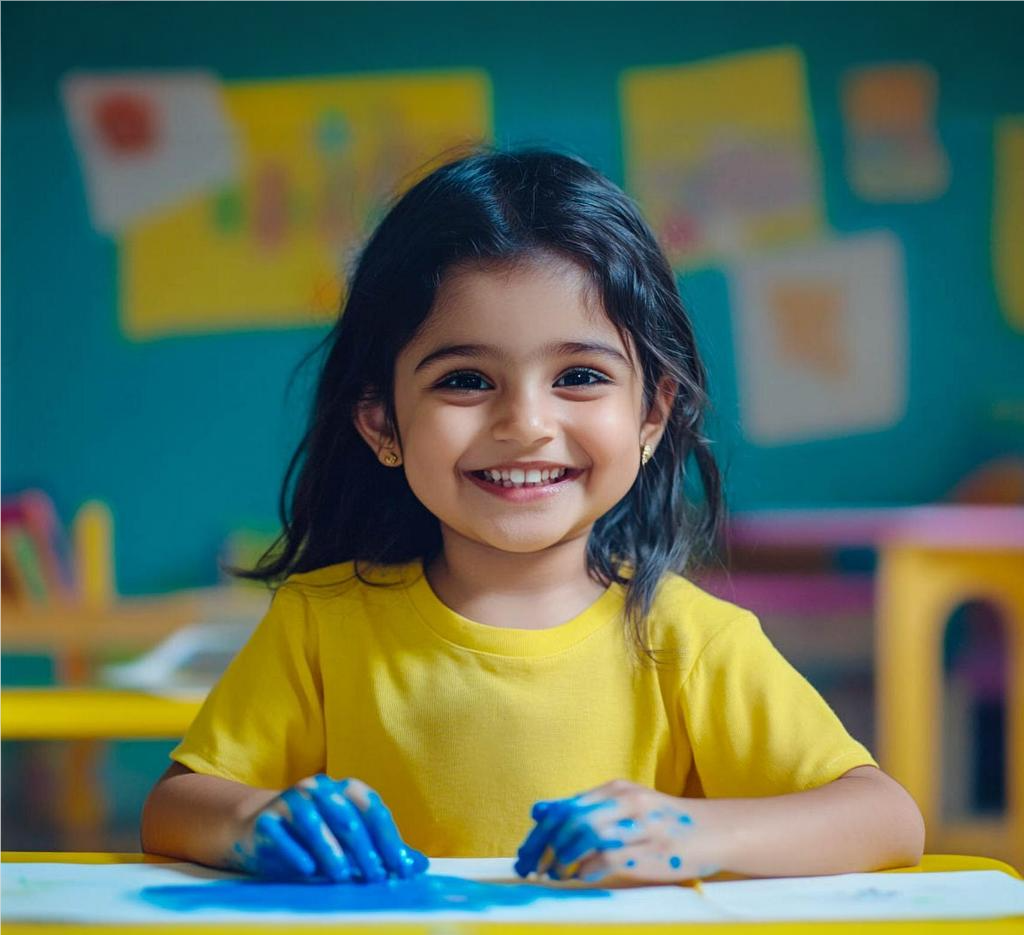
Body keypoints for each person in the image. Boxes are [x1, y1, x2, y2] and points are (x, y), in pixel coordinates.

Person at [141, 146, 925, 887]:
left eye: (579, 375)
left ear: (651, 416)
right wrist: (256, 819)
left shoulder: (690, 642)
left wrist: (693, 833)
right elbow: (177, 808)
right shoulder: (318, 626)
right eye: (465, 380)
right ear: (382, 423)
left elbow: (886, 818)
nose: (525, 423)